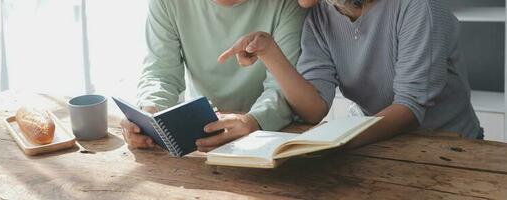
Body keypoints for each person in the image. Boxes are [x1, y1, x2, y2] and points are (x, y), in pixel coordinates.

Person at [219, 0, 483, 148]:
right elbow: (314, 109)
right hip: (381, 146)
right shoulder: (320, 17)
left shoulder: (417, 6)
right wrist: (269, 51)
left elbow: (410, 108)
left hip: (451, 148)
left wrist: (334, 142)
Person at [121, 0, 307, 152]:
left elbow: (283, 86)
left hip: (274, 134)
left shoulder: (288, 4)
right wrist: (148, 115)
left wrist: (253, 120)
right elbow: (161, 72)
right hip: (201, 134)